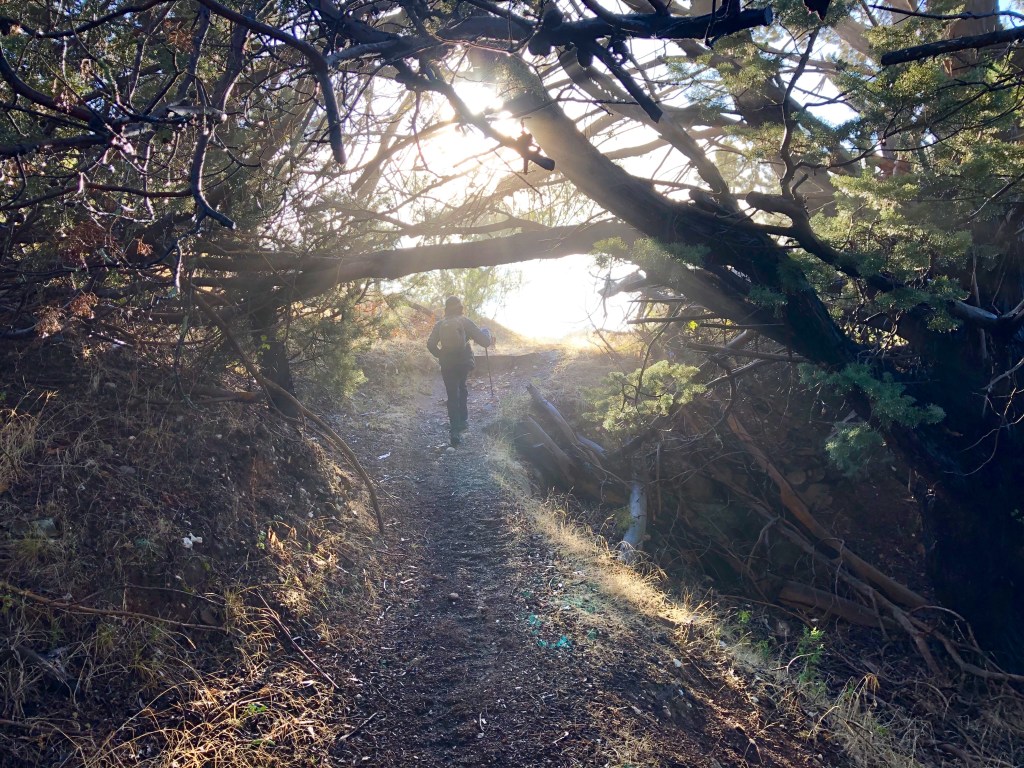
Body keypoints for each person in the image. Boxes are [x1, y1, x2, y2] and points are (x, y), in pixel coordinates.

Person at [426, 296, 494, 446]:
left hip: (447, 364)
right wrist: (486, 332)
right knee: (462, 387)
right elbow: (485, 342)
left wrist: (441, 355)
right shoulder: (465, 322)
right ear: (460, 307)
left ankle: (454, 430)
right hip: (464, 363)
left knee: (452, 394)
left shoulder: (440, 324)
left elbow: (430, 344)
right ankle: (463, 420)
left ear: (446, 309)